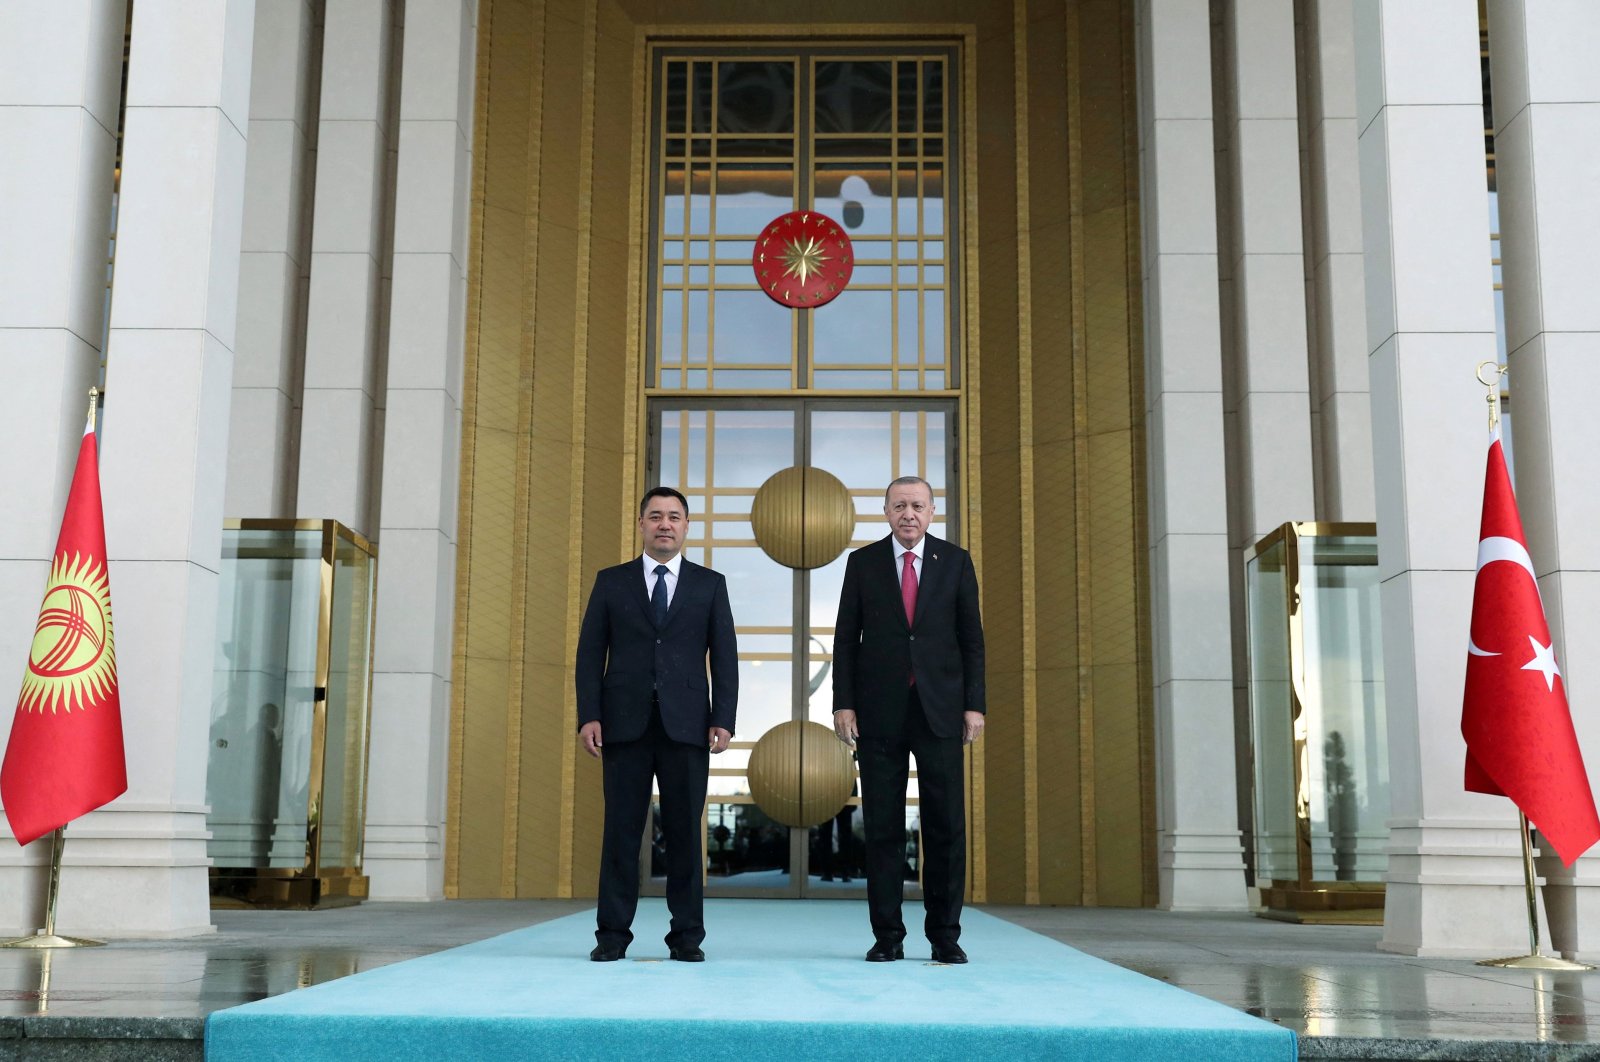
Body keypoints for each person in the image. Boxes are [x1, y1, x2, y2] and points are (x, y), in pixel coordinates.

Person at [576, 487, 737, 962]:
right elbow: (590, 655)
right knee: (621, 833)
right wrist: (590, 714)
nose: (665, 524)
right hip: (623, 724)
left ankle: (687, 938)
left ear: (686, 526)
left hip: (687, 726)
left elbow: (724, 656)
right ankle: (611, 937)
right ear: (641, 524)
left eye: (674, 517)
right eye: (655, 516)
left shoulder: (710, 584)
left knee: (686, 836)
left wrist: (723, 718)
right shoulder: (611, 581)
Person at [832, 476, 985, 964]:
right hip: (879, 712)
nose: (908, 514)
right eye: (899, 505)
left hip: (940, 711)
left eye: (917, 505)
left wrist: (974, 705)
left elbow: (972, 640)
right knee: (882, 828)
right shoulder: (863, 563)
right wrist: (843, 703)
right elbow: (844, 640)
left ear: (932, 511)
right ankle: (888, 937)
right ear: (886, 511)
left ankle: (945, 936)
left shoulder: (956, 562)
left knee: (945, 826)